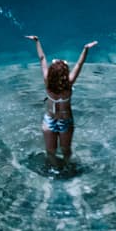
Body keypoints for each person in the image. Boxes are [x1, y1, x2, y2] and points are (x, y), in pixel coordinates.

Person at [27, 33, 97, 168]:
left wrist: (37, 41)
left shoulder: (48, 83)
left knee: (50, 152)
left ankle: (55, 169)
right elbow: (79, 64)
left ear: (52, 73)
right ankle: (67, 169)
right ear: (65, 74)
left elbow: (42, 59)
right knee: (66, 150)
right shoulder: (68, 84)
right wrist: (85, 48)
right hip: (65, 121)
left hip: (49, 120)